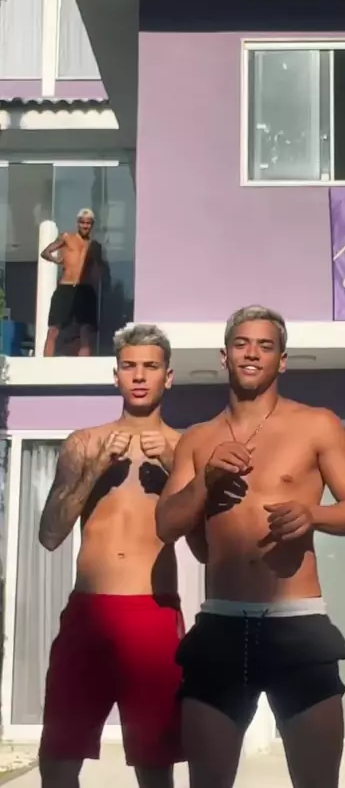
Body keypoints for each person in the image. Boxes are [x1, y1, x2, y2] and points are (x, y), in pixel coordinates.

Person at [156, 305, 345, 788]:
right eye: (241, 344)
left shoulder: (317, 424)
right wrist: (205, 482)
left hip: (297, 624)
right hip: (221, 622)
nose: (252, 353)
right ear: (224, 356)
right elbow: (166, 525)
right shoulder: (198, 439)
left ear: (282, 360)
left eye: (265, 345)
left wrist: (313, 514)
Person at [38, 323, 184, 788]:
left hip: (153, 611)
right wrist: (96, 469)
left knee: (154, 766)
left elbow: (208, 540)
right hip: (88, 613)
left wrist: (176, 470)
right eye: (129, 366)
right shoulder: (84, 442)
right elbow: (49, 534)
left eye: (150, 367)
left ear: (168, 376)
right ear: (115, 375)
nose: (139, 376)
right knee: (58, 759)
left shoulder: (187, 449)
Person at [42, 208, 103, 357]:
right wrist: (57, 260)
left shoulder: (94, 245)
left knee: (85, 333)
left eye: (88, 223)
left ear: (92, 225)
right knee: (53, 330)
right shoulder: (67, 237)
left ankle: (83, 368)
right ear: (78, 223)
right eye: (82, 222)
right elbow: (45, 252)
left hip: (85, 288)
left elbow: (98, 267)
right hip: (66, 287)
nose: (85, 226)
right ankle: (45, 366)